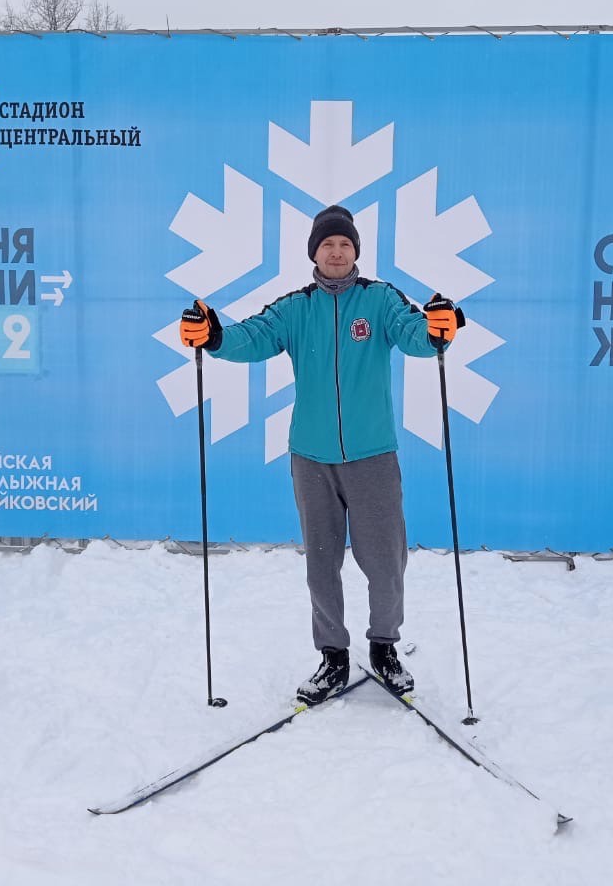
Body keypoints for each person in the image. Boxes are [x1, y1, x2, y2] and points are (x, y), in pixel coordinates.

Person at [179, 205, 465, 704]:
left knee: (385, 560)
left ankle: (384, 648)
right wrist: (215, 335)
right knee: (321, 562)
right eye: (328, 244)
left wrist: (438, 328)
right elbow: (253, 337)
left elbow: (415, 334)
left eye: (346, 245)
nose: (337, 252)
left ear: (356, 252)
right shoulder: (297, 307)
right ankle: (332, 655)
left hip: (373, 455)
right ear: (314, 252)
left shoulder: (379, 300)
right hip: (310, 457)